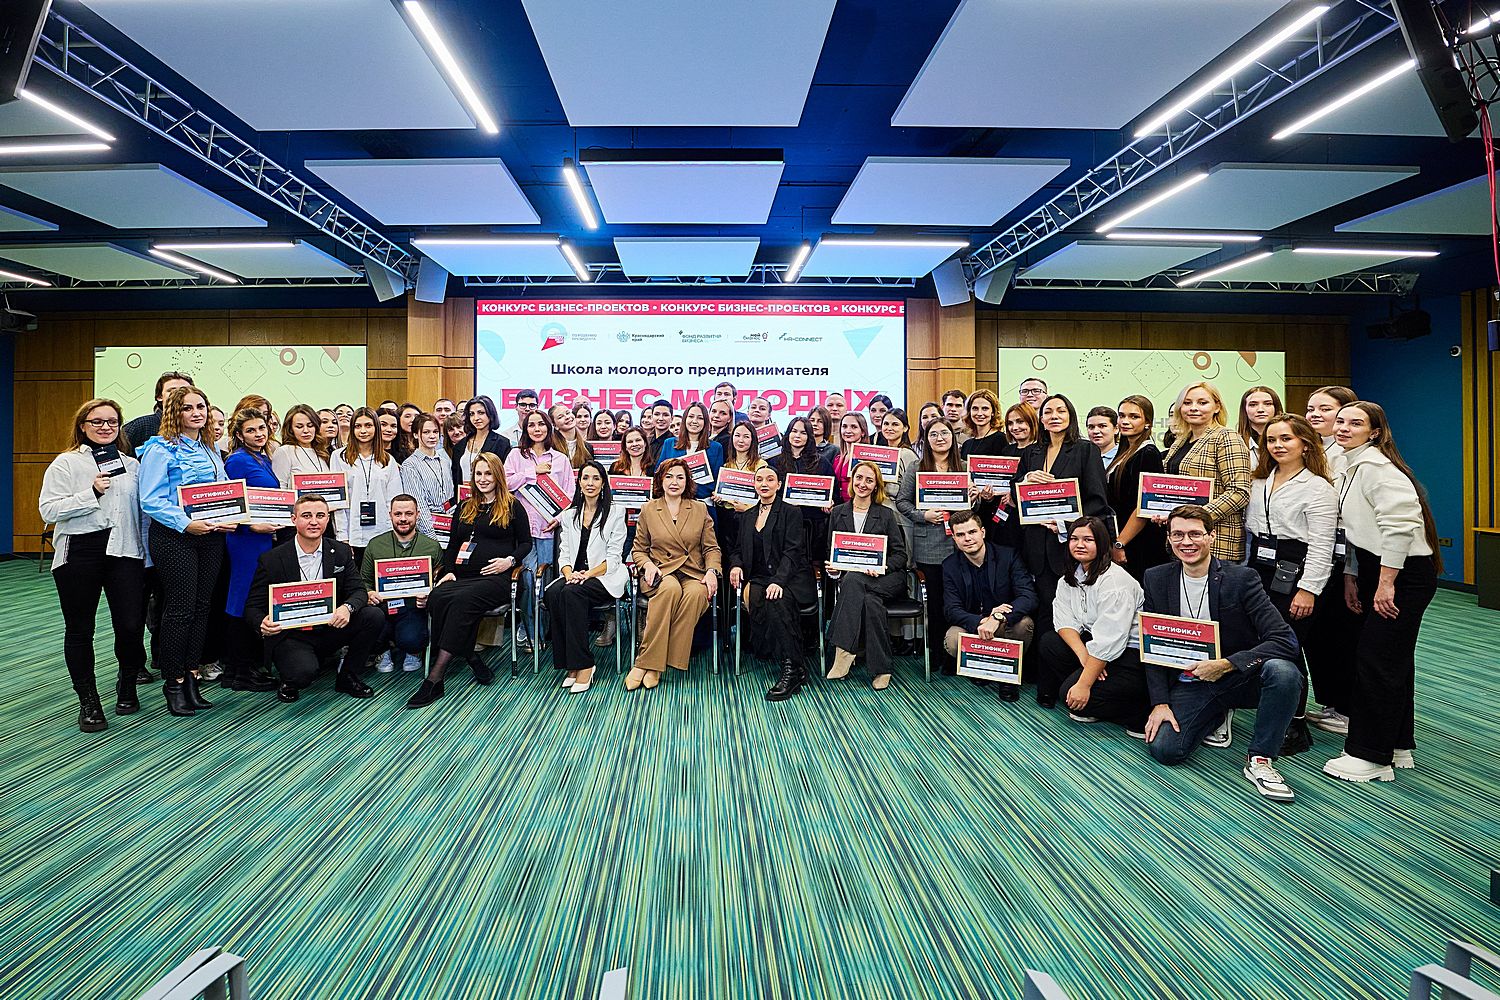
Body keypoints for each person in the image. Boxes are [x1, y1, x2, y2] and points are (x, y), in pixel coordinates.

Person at [1141, 505, 1303, 802]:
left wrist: (1227, 664)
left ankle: (1261, 759)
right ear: (1169, 538)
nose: (1186, 542)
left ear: (1211, 536)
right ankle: (1217, 714)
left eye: (1195, 534)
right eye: (1178, 534)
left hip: (1237, 676)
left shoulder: (1242, 578)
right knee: (1166, 750)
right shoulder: (1156, 578)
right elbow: (1152, 646)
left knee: (1283, 671)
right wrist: (1160, 703)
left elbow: (1285, 640)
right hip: (1192, 680)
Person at [1321, 401, 1440, 784]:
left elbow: (1400, 526)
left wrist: (1386, 583)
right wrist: (1354, 576)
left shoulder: (1378, 469)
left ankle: (1370, 756)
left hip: (1402, 573)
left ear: (1374, 432)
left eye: (1355, 423)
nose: (1343, 428)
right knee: (1393, 661)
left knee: (1376, 660)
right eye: (1340, 421)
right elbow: (1358, 531)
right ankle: (1398, 744)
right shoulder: (1350, 464)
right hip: (1378, 567)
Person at [40, 398, 148, 730]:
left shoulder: (133, 466)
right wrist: (91, 493)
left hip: (125, 551)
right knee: (80, 629)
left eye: (112, 421)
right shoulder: (66, 463)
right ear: (82, 426)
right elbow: (48, 510)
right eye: (97, 421)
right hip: (79, 552)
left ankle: (127, 683)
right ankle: (88, 701)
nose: (105, 427)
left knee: (131, 626)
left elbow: (142, 514)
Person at [137, 385, 234, 716]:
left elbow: (222, 491)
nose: (196, 413)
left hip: (211, 536)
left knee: (202, 607)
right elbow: (151, 499)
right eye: (187, 407)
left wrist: (230, 516)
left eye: (201, 407)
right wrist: (185, 523)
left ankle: (192, 675)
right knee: (179, 609)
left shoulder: (210, 448)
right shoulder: (159, 448)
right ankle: (174, 681)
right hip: (174, 536)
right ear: (173, 412)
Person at [407, 453, 532, 708]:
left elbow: (526, 543)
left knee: (463, 600)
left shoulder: (512, 505)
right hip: (463, 576)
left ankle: (435, 678)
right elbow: (453, 545)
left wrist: (509, 561)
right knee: (438, 596)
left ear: (498, 476)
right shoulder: (465, 506)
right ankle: (471, 657)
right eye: (478, 474)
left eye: (488, 474)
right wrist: (449, 571)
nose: (483, 479)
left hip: (498, 579)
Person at [1245, 413, 1337, 755]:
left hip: (1295, 570)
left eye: (1286, 439)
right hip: (1260, 568)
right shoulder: (1259, 481)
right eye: (1271, 440)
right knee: (1263, 640)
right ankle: (1272, 710)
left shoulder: (1318, 487)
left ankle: (1295, 725)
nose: (1277, 445)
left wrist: (1308, 589)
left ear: (1305, 444)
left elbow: (1323, 545)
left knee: (1289, 647)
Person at [245, 496, 383, 704]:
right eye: (306, 516)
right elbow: (252, 607)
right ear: (294, 519)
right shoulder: (272, 559)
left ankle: (348, 676)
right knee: (302, 674)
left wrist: (347, 608)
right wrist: (261, 622)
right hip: (292, 634)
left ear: (328, 519)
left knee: (373, 615)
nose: (314, 522)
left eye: (320, 516)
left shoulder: (341, 552)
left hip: (330, 627)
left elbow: (358, 591)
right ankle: (289, 680)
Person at [1014, 394, 1114, 632]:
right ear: (1041, 418)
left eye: (1061, 411)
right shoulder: (1031, 452)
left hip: (1069, 545)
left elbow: (1097, 501)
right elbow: (1015, 490)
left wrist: (1064, 525)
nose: (1054, 416)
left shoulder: (1085, 450)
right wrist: (1026, 479)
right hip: (1035, 544)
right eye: (1048, 412)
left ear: (1071, 416)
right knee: (1042, 611)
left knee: (1070, 614)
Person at [1035, 516, 1146, 728]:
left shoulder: (1115, 581)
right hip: (1098, 646)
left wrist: (1084, 684)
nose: (1079, 545)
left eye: (1088, 540)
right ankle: (1096, 695)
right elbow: (1064, 622)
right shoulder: (1069, 578)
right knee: (1050, 642)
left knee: (1070, 695)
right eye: (1074, 539)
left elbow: (1110, 639)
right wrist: (1085, 657)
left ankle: (1138, 713)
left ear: (1102, 544)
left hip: (1129, 653)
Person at [629, 459, 722, 691]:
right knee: (670, 588)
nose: (674, 482)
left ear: (687, 481)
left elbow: (711, 548)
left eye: (680, 477)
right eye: (669, 476)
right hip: (660, 571)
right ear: (660, 480)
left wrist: (712, 571)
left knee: (696, 594)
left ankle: (651, 664)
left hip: (693, 572)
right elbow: (638, 549)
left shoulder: (699, 509)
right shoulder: (649, 509)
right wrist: (647, 565)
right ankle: (648, 662)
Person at [730, 464, 817, 701]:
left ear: (778, 485)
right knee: (759, 597)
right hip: (759, 577)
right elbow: (737, 550)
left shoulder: (791, 512)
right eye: (759, 479)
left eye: (770, 479)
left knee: (776, 600)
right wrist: (736, 565)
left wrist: (779, 581)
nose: (764, 483)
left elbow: (793, 552)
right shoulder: (747, 516)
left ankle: (792, 669)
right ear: (754, 484)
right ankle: (789, 660)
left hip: (790, 577)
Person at [824, 461, 910, 690]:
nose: (863, 484)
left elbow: (901, 555)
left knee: (853, 580)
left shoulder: (886, 514)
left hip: (887, 578)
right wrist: (835, 569)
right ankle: (882, 668)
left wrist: (883, 567)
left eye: (869, 480)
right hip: (858, 584)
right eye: (859, 478)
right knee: (871, 603)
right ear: (852, 480)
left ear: (876, 486)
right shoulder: (838, 513)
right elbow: (833, 551)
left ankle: (843, 651)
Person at [545, 462, 628, 694]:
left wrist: (587, 574)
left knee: (572, 593)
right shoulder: (570, 514)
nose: (590, 483)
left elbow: (614, 558)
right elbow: (564, 554)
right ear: (579, 483)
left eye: (595, 478)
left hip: (604, 575)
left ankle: (585, 665)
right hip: (575, 575)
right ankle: (570, 664)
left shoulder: (616, 512)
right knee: (553, 593)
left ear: (603, 483)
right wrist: (569, 574)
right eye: (585, 478)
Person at [941, 509, 1037, 701]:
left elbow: (1028, 596)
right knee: (952, 639)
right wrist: (981, 621)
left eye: (972, 532)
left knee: (1024, 624)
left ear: (982, 532)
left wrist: (998, 618)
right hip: (974, 625)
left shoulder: (1008, 556)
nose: (967, 539)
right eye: (960, 535)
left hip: (1004, 625)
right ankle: (980, 668)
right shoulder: (949, 565)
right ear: (954, 539)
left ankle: (1008, 677)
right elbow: (951, 610)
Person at [220, 408, 283, 693]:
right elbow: (230, 502)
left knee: (253, 598)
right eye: (251, 430)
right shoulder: (237, 460)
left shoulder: (263, 457)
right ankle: (239, 670)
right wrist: (251, 525)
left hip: (263, 538)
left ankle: (241, 669)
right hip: (245, 539)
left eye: (261, 428)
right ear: (239, 435)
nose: (258, 434)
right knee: (241, 601)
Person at [504, 409, 576, 653]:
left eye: (541, 424)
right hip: (522, 530)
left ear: (549, 428)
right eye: (532, 425)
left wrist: (559, 519)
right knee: (526, 580)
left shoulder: (560, 459)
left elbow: (570, 495)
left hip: (549, 529)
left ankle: (545, 630)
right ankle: (529, 630)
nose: (537, 429)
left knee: (546, 580)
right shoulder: (515, 455)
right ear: (525, 429)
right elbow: (505, 483)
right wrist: (531, 472)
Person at [896, 418, 966, 670]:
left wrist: (976, 496)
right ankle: (937, 652)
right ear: (926, 440)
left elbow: (973, 507)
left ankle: (956, 653)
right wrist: (922, 515)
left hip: (960, 545)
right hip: (929, 545)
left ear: (952, 437)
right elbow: (902, 502)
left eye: (944, 433)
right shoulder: (916, 467)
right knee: (935, 603)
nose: (939, 438)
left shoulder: (963, 467)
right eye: (933, 434)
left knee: (957, 601)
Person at [1159, 382, 1252, 561]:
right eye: (1187, 403)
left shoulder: (1226, 437)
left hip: (1217, 542)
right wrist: (1165, 514)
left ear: (1217, 407)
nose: (1193, 408)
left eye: (1202, 403)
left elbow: (1239, 492)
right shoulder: (1181, 441)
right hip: (1182, 542)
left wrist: (1196, 518)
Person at [360, 494, 443, 674]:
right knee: (368, 627)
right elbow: (364, 581)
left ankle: (413, 651)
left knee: (411, 639)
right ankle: (382, 650)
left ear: (417, 515)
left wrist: (430, 597)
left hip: (414, 608)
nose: (403, 519)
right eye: (398, 514)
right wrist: (369, 593)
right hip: (382, 607)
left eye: (408, 513)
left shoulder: (431, 546)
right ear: (390, 515)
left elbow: (440, 584)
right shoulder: (375, 545)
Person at [1107, 395, 1167, 581]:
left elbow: (1143, 507)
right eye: (1122, 415)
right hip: (1124, 538)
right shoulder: (1125, 450)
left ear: (1147, 422)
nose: (1125, 421)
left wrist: (1120, 543)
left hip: (1139, 543)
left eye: (1134, 417)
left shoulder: (1148, 453)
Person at [332, 406, 403, 566]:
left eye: (368, 425)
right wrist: (342, 537)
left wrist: (394, 535)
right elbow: (338, 502)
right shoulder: (339, 457)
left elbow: (393, 501)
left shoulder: (388, 460)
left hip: (382, 531)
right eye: (358, 426)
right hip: (352, 531)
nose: (363, 431)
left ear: (376, 428)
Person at [772, 415, 835, 570]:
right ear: (787, 434)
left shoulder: (822, 463)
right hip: (782, 524)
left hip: (813, 528)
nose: (797, 436)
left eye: (803, 432)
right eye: (794, 431)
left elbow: (834, 495)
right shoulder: (774, 462)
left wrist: (830, 503)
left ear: (809, 437)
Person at [712, 421, 767, 567]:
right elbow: (722, 498)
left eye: (746, 436)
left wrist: (747, 508)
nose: (741, 440)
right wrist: (718, 499)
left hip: (751, 518)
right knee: (728, 558)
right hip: (728, 519)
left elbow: (766, 497)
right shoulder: (726, 465)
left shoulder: (761, 465)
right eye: (737, 435)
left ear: (753, 440)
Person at [656, 401, 724, 502]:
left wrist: (689, 489)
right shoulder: (669, 443)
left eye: (700, 418)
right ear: (685, 419)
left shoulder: (716, 447)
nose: (694, 421)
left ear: (706, 422)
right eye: (691, 416)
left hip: (702, 503)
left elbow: (717, 481)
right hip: (672, 502)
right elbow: (659, 474)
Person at [400, 412, 454, 540]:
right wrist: (432, 537)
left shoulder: (445, 460)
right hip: (429, 530)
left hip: (450, 524)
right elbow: (419, 505)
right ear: (415, 434)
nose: (432, 436)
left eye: (435, 432)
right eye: (426, 432)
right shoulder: (410, 465)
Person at [122, 371, 195, 457]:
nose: (179, 395)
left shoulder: (200, 427)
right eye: (172, 391)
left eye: (185, 391)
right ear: (159, 396)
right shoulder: (141, 426)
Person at [454, 395, 512, 488]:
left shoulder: (502, 443)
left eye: (481, 413)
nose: (476, 418)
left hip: (491, 494)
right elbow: (456, 477)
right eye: (472, 414)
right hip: (464, 494)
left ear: (490, 414)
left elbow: (503, 476)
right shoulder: (460, 445)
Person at [273, 403, 332, 490]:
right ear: (290, 429)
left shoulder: (321, 451)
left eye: (310, 425)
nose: (306, 431)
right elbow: (281, 488)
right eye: (299, 427)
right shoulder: (285, 451)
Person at [1237, 386, 1283, 466]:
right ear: (1245, 410)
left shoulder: (1291, 439)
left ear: (1276, 407)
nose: (1260, 410)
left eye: (1267, 404)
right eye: (1253, 405)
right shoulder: (1236, 442)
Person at [1305, 384, 1357, 456]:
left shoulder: (1351, 448)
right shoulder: (1305, 444)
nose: (1314, 414)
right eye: (1310, 410)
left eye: (1325, 409)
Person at [831, 412, 871, 502]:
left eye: (853, 427)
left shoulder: (868, 459)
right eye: (844, 426)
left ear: (863, 432)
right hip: (839, 506)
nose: (848, 431)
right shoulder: (837, 458)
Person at [876, 408, 920, 489]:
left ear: (905, 428)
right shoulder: (881, 453)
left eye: (895, 424)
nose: (889, 428)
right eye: (886, 424)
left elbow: (912, 486)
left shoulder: (907, 454)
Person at [960, 389, 1005, 457]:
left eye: (985, 408)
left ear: (993, 412)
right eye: (975, 408)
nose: (979, 413)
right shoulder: (966, 444)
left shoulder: (1001, 440)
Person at [550, 402, 592, 469]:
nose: (567, 417)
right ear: (555, 425)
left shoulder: (587, 447)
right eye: (560, 417)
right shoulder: (551, 447)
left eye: (568, 413)